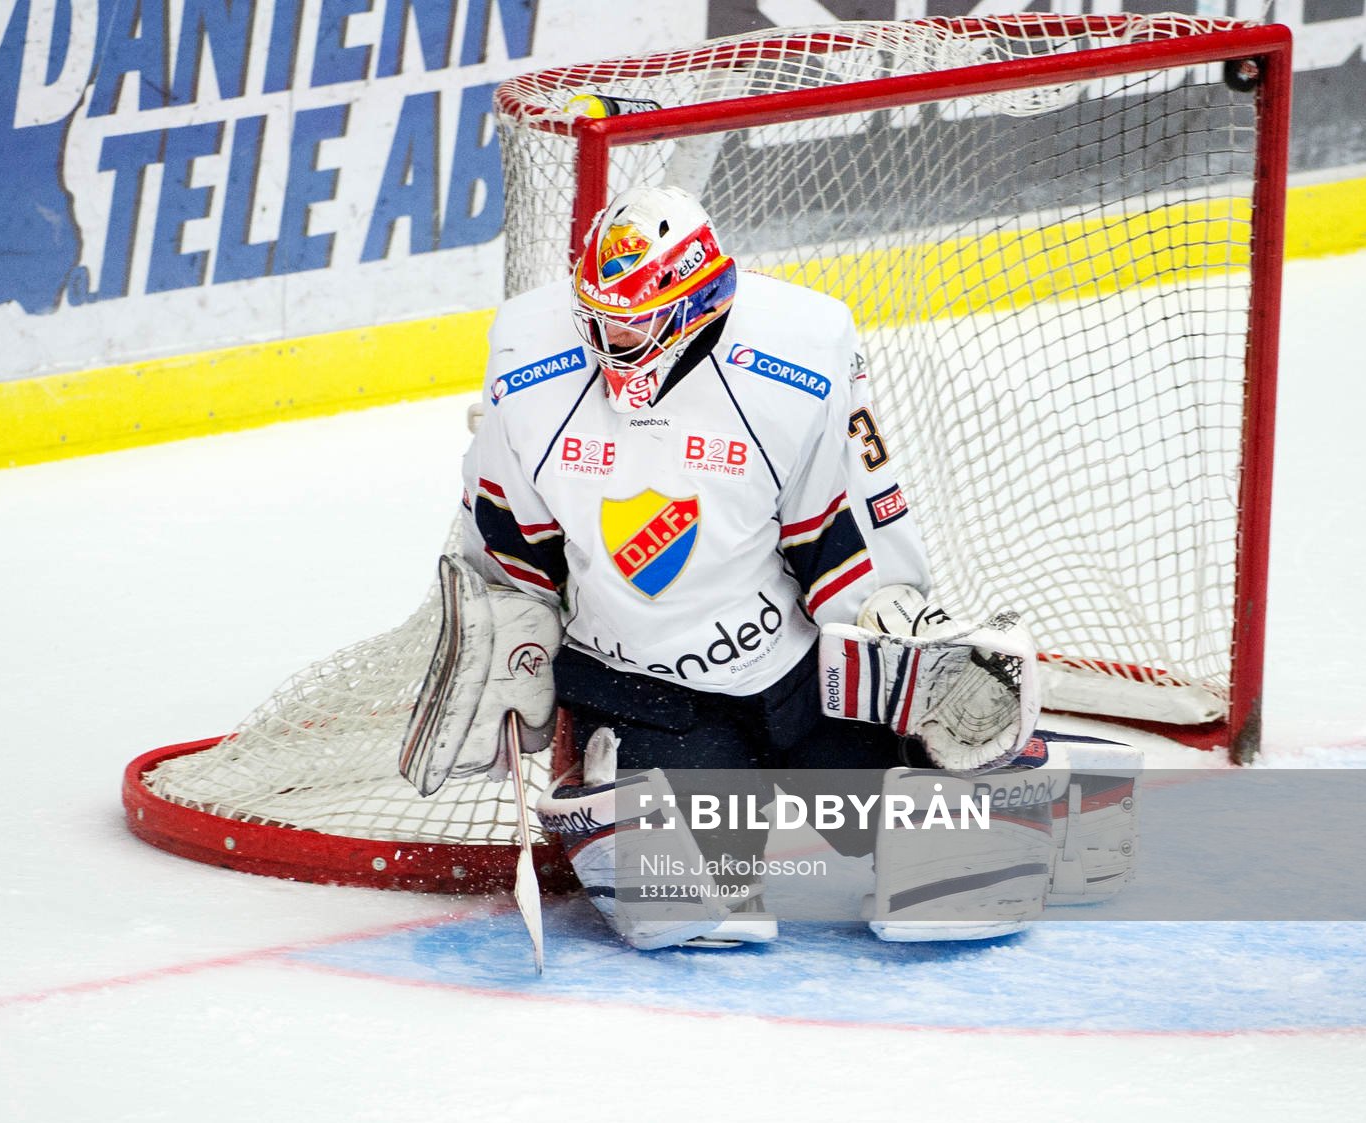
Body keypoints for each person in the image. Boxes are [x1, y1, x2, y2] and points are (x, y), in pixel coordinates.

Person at [401, 187, 1060, 950]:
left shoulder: (798, 355)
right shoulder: (528, 359)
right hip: (646, 690)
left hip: (802, 676)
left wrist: (892, 626)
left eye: (636, 321)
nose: (612, 341)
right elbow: (512, 534)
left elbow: (842, 525)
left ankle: (969, 786)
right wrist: (512, 633)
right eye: (600, 318)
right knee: (679, 906)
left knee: (958, 876)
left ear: (697, 304)